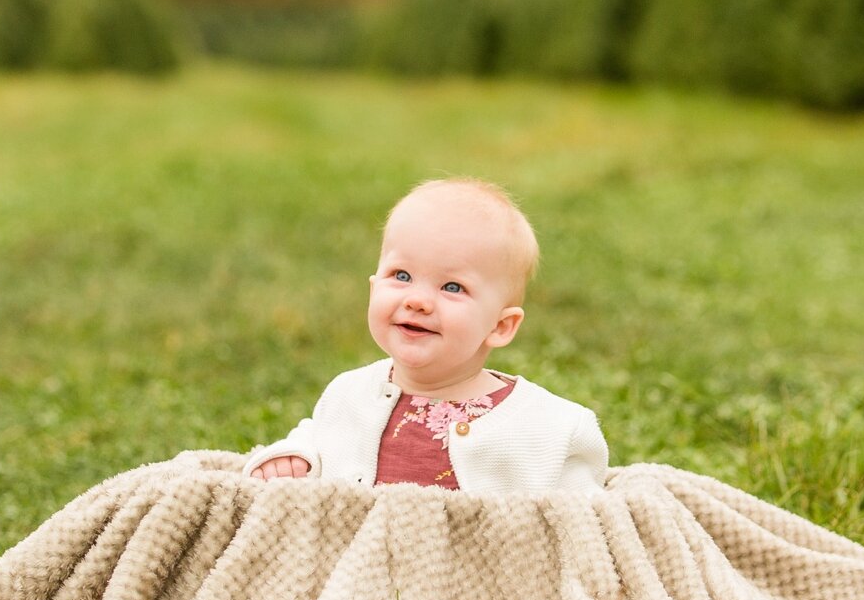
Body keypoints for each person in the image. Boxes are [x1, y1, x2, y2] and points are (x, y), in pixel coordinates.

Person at [244, 177, 608, 493]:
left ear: (500, 326)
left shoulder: (547, 428)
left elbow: (579, 524)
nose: (417, 300)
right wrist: (292, 458)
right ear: (373, 288)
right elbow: (319, 440)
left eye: (452, 286)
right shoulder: (347, 393)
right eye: (401, 276)